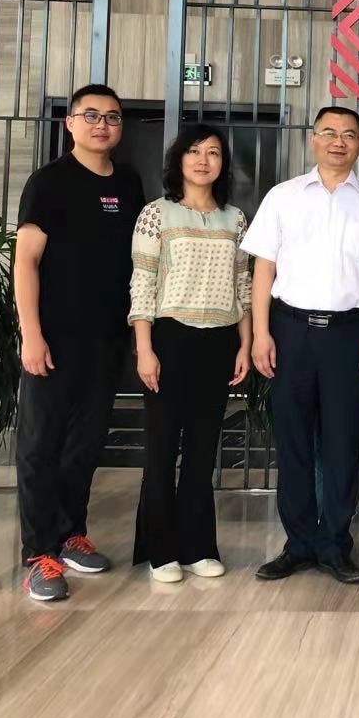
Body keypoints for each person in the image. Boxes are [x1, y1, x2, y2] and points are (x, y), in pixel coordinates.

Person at [242, 106, 359, 586]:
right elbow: (263, 270)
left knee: (343, 442)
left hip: (350, 334)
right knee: (292, 440)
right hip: (290, 331)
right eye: (329, 133)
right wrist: (261, 333)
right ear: (313, 139)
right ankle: (298, 545)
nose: (339, 142)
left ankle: (335, 545)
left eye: (349, 135)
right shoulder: (283, 197)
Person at [14, 84, 145, 602]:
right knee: (40, 445)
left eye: (111, 117)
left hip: (106, 339)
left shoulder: (129, 184)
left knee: (84, 445)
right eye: (91, 115)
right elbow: (26, 261)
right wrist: (31, 334)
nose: (102, 125)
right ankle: (38, 554)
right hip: (53, 338)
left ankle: (71, 535)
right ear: (70, 123)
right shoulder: (49, 183)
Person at [128, 124, 252, 583]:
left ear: (223, 163)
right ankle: (161, 551)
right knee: (162, 449)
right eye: (194, 151)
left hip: (218, 341)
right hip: (169, 338)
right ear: (178, 160)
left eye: (213, 152)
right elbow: (142, 282)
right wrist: (144, 349)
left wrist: (246, 344)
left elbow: (243, 286)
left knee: (203, 451)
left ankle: (198, 547)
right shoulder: (156, 214)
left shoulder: (235, 220)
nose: (203, 160)